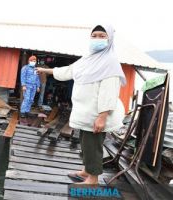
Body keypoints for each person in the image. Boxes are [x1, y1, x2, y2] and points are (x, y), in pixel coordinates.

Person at [36, 24, 126, 184]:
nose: (97, 39)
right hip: (85, 113)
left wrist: (102, 116)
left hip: (96, 115)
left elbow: (109, 93)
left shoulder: (110, 62)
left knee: (93, 147)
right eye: (94, 35)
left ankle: (93, 179)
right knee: (85, 144)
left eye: (102, 36)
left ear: (110, 39)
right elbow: (70, 70)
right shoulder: (88, 59)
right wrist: (47, 71)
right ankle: (86, 171)